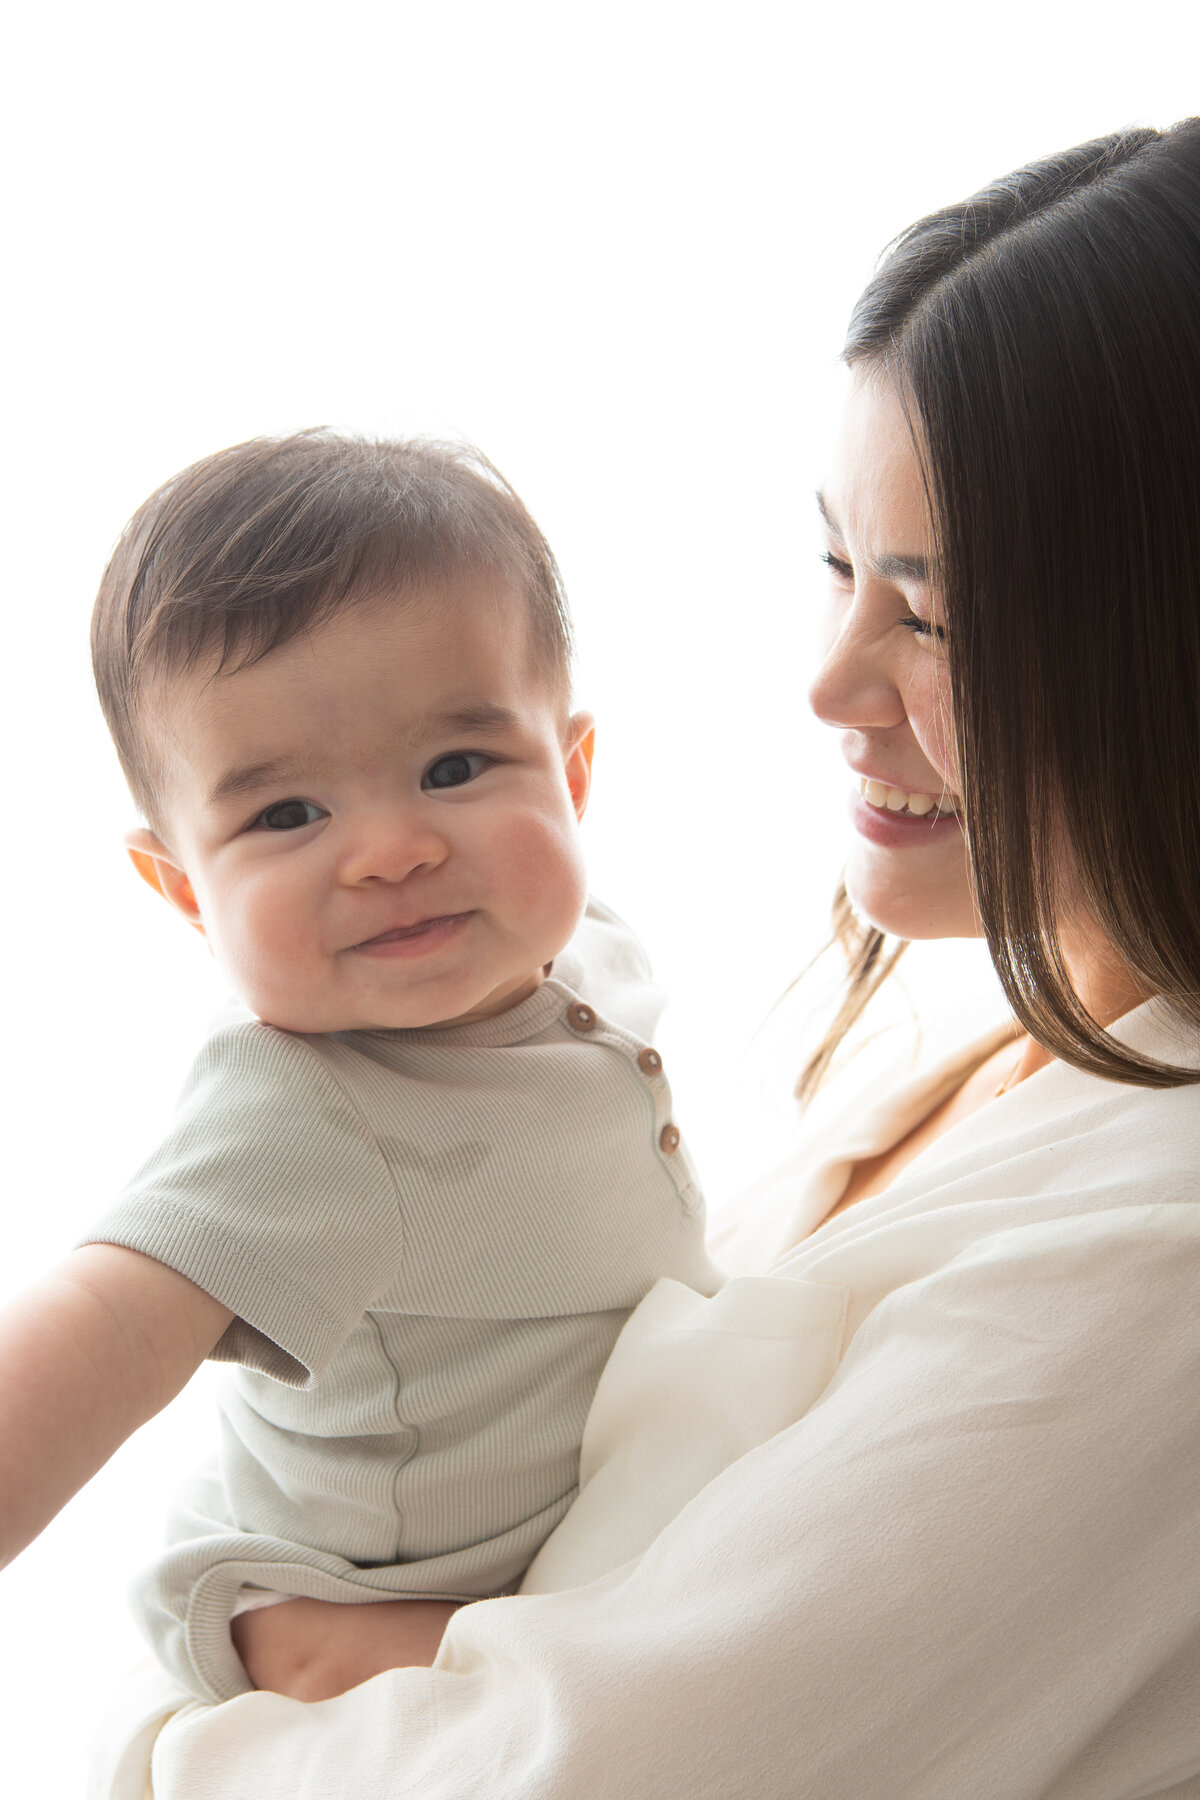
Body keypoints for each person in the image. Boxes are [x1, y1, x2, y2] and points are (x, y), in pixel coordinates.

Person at [89, 118, 1200, 1800]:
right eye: (838, 564)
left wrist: (199, 1718)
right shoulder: (984, 1047)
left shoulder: (1158, 1259)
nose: (831, 682)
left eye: (932, 613)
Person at [0, 433, 720, 1709]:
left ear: (573, 772)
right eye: (286, 815)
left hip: (572, 1484)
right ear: (183, 891)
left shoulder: (576, 944)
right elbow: (104, 1324)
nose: (390, 850)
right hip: (367, 1585)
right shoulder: (302, 1108)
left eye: (453, 769)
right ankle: (274, 1647)